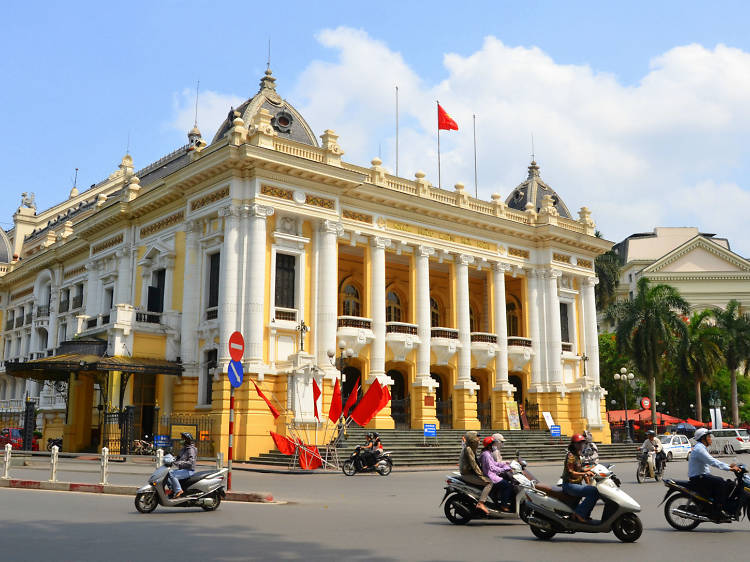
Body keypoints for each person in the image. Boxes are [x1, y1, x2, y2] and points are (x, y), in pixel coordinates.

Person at [689, 428, 741, 518]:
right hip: (698, 477)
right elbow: (712, 462)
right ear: (703, 438)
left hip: (702, 476)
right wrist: (730, 468)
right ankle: (717, 509)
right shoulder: (699, 449)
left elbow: (714, 461)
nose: (710, 439)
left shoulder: (701, 447)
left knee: (728, 484)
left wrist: (729, 466)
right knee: (720, 482)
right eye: (708, 437)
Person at [561, 434, 600, 523]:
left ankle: (585, 514)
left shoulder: (577, 454)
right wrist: (584, 473)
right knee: (594, 492)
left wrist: (593, 469)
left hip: (576, 484)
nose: (581, 445)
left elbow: (580, 468)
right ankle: (580, 514)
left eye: (582, 443)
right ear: (573, 444)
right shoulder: (571, 456)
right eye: (579, 443)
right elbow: (571, 472)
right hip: (569, 485)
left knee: (596, 491)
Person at [459, 431, 492, 515]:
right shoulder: (468, 449)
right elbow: (474, 464)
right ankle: (481, 503)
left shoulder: (472, 449)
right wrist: (482, 475)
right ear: (472, 439)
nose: (479, 440)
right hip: (467, 474)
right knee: (489, 483)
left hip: (471, 473)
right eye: (477, 438)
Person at [479, 436, 513, 511]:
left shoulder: (488, 453)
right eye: (493, 444)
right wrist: (504, 469)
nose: (495, 446)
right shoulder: (486, 455)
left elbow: (495, 463)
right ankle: (504, 505)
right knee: (507, 485)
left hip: (492, 474)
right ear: (489, 445)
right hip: (490, 476)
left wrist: (505, 463)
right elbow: (492, 468)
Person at [167, 432, 197, 498]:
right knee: (166, 474)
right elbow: (178, 457)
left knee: (172, 474)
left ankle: (179, 490)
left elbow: (191, 462)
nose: (181, 440)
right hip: (183, 470)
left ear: (187, 440)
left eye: (183, 438)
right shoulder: (184, 449)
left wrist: (180, 463)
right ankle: (173, 490)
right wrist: (171, 459)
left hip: (189, 471)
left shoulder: (191, 449)